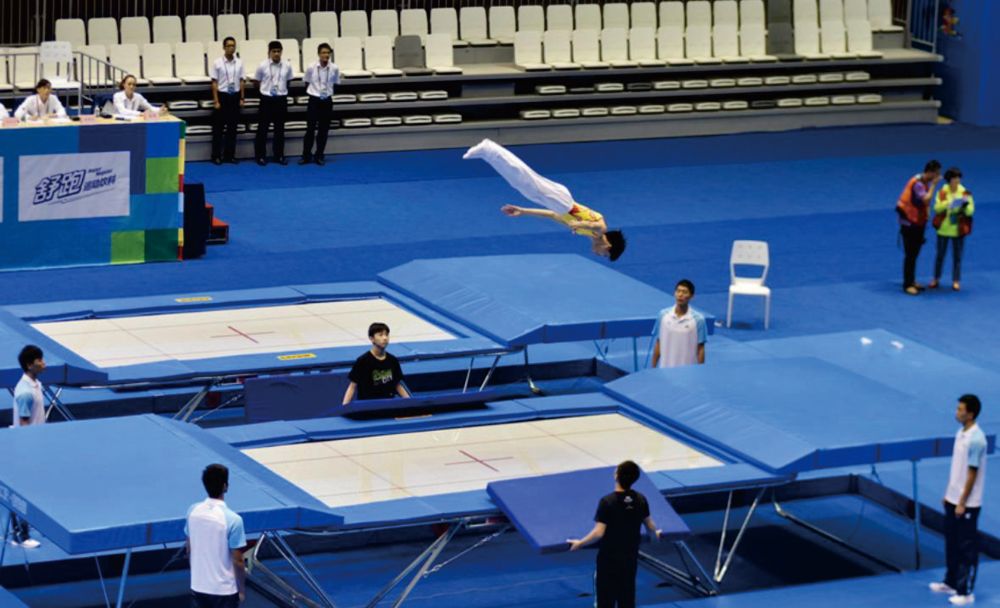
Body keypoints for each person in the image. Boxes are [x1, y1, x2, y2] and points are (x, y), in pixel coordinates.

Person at [463, 139, 626, 261]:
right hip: (564, 202)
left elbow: (553, 215)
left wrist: (523, 211)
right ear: (608, 246)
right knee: (523, 178)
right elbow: (596, 225)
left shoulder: (583, 233)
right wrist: (581, 224)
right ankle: (489, 149)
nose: (598, 254)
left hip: (557, 205)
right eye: (604, 254)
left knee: (518, 183)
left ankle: (488, 154)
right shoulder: (600, 230)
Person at [568, 460, 662, 608]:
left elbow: (598, 533)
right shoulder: (640, 499)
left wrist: (580, 543)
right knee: (627, 599)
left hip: (609, 560)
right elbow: (650, 526)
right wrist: (655, 537)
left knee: (605, 601)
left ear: (616, 476)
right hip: (629, 558)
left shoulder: (607, 501)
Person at [929, 395, 986, 606]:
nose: (957, 412)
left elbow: (972, 473)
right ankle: (951, 582)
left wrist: (962, 501)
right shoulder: (960, 433)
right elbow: (957, 469)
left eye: (960, 409)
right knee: (951, 542)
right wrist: (949, 494)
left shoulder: (977, 439)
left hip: (968, 503)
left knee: (965, 547)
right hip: (953, 499)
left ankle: (965, 591)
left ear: (970, 414)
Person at [186, 464, 247, 608]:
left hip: (198, 587)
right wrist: (242, 589)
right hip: (224, 591)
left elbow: (189, 549)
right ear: (225, 486)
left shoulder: (192, 511)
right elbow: (238, 561)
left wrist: (198, 576)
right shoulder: (233, 520)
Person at [9, 345, 47, 549]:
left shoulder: (35, 383)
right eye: (39, 360)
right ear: (29, 365)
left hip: (36, 444)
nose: (43, 363)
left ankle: (25, 526)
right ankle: (20, 535)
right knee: (24, 493)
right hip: (26, 448)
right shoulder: (25, 392)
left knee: (34, 490)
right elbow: (24, 426)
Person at [896, 160, 942, 295]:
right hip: (909, 223)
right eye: (937, 173)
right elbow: (926, 199)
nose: (938, 176)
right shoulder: (918, 184)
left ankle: (912, 280)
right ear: (930, 172)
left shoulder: (923, 181)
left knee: (914, 254)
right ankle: (907, 284)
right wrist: (934, 185)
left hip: (917, 222)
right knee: (910, 255)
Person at [342, 322, 411, 404]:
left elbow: (397, 385)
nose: (385, 338)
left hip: (388, 404)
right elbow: (352, 387)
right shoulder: (363, 361)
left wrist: (410, 403)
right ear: (372, 338)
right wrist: (344, 407)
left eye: (386, 334)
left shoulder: (392, 360)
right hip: (368, 406)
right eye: (380, 335)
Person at [930, 167, 974, 292]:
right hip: (943, 229)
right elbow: (937, 208)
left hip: (958, 230)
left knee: (957, 257)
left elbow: (970, 211)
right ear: (949, 180)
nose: (957, 180)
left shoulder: (965, 193)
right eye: (954, 178)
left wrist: (965, 206)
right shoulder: (942, 192)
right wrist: (948, 204)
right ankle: (936, 278)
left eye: (958, 178)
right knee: (940, 255)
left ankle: (956, 281)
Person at [253, 40, 294, 166]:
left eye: (278, 51)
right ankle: (260, 156)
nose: (276, 54)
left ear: (281, 52)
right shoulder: (262, 65)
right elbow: (256, 82)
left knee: (279, 129)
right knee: (263, 129)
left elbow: (288, 81)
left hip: (281, 99)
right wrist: (265, 91)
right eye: (274, 51)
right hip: (266, 99)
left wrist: (280, 91)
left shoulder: (287, 66)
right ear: (269, 52)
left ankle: (279, 156)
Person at [300, 42, 340, 166]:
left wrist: (326, 93)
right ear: (318, 54)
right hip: (314, 100)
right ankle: (306, 156)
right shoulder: (311, 67)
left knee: (323, 130)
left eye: (328, 52)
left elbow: (335, 83)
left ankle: (319, 155)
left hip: (327, 100)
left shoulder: (334, 68)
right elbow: (306, 82)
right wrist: (315, 92)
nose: (326, 55)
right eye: (323, 52)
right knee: (310, 129)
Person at [652, 279, 707, 368]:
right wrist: (653, 367)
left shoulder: (698, 320)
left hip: (688, 371)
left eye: (684, 292)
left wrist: (700, 370)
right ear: (674, 293)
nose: (680, 295)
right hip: (665, 369)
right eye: (678, 291)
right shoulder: (663, 315)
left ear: (691, 296)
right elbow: (659, 342)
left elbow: (700, 348)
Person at [210, 37, 245, 165]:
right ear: (224, 47)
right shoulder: (217, 63)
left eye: (233, 46)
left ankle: (229, 155)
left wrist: (242, 98)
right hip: (222, 96)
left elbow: (241, 81)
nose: (231, 48)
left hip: (234, 96)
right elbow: (214, 82)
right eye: (229, 46)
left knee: (232, 128)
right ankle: (216, 155)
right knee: (218, 129)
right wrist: (216, 101)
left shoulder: (239, 63)